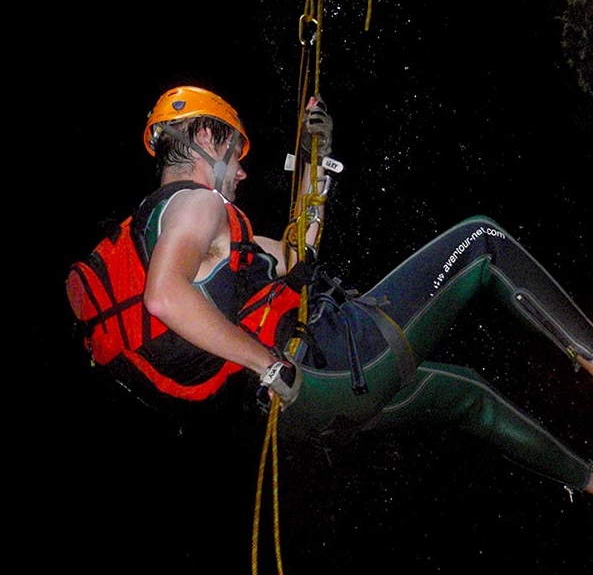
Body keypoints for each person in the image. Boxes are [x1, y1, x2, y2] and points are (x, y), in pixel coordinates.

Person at [134, 85, 592, 496]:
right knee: (481, 241)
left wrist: (317, 162)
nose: (241, 173)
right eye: (236, 155)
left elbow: (297, 257)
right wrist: (270, 367)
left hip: (311, 411)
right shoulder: (198, 204)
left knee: (470, 397)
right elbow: (166, 297)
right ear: (206, 139)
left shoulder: (158, 228)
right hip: (328, 359)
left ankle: (586, 479)